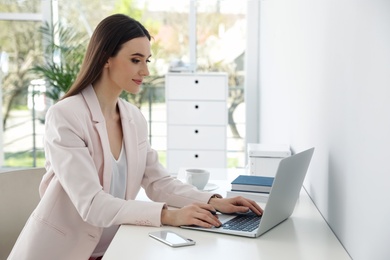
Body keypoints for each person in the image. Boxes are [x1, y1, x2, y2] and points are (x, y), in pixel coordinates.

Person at [8, 14, 263, 260]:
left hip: (118, 247)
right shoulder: (65, 116)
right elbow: (92, 204)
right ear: (106, 58)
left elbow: (158, 182)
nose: (145, 71)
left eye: (147, 61)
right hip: (63, 252)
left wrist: (215, 202)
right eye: (135, 60)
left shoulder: (133, 118)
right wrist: (169, 215)